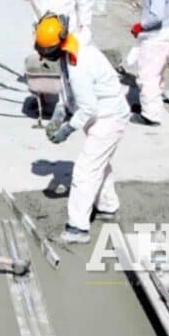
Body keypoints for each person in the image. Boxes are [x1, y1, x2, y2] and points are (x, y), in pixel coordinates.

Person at [36, 16, 130, 244]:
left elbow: (88, 108)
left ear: (58, 44)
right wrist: (61, 108)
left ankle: (78, 228)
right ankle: (107, 206)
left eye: (47, 52)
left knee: (85, 171)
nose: (43, 57)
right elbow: (67, 86)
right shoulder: (68, 52)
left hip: (108, 118)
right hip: (101, 115)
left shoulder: (80, 62)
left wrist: (67, 128)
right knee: (100, 163)